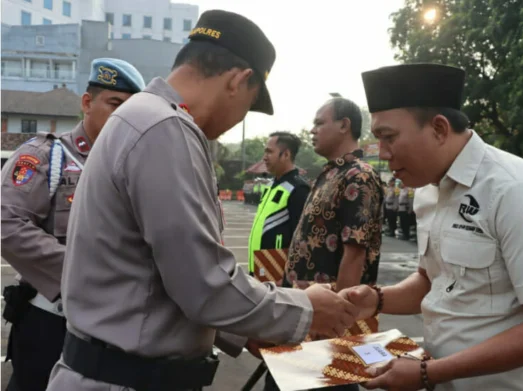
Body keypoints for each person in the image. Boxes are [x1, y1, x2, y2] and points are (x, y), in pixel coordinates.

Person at [45, 10, 358, 391]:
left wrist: (244, 333)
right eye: (249, 103)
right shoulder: (165, 129)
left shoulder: (142, 119)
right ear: (238, 80)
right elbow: (203, 284)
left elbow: (159, 278)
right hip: (127, 379)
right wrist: (307, 308)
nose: (237, 117)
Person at [341, 63, 523, 391]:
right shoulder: (427, 190)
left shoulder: (518, 190)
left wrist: (426, 373)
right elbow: (433, 280)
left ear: (439, 128)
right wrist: (376, 299)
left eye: (389, 137)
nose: (382, 154)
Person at [0, 58, 145, 391]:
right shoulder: (47, 156)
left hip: (112, 328)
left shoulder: (132, 169)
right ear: (86, 103)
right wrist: (89, 274)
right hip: (52, 322)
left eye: (129, 111)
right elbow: (6, 224)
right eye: (114, 104)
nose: (121, 117)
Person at [278, 97, 384, 391]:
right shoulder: (330, 173)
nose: (312, 130)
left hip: (324, 329)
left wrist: (333, 329)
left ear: (344, 125)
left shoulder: (359, 176)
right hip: (303, 319)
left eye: (319, 122)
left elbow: (354, 256)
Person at [248, 131, 310, 280]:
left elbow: (301, 239)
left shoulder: (298, 188)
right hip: (258, 268)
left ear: (286, 154)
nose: (264, 157)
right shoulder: (271, 186)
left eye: (269, 152)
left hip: (276, 273)